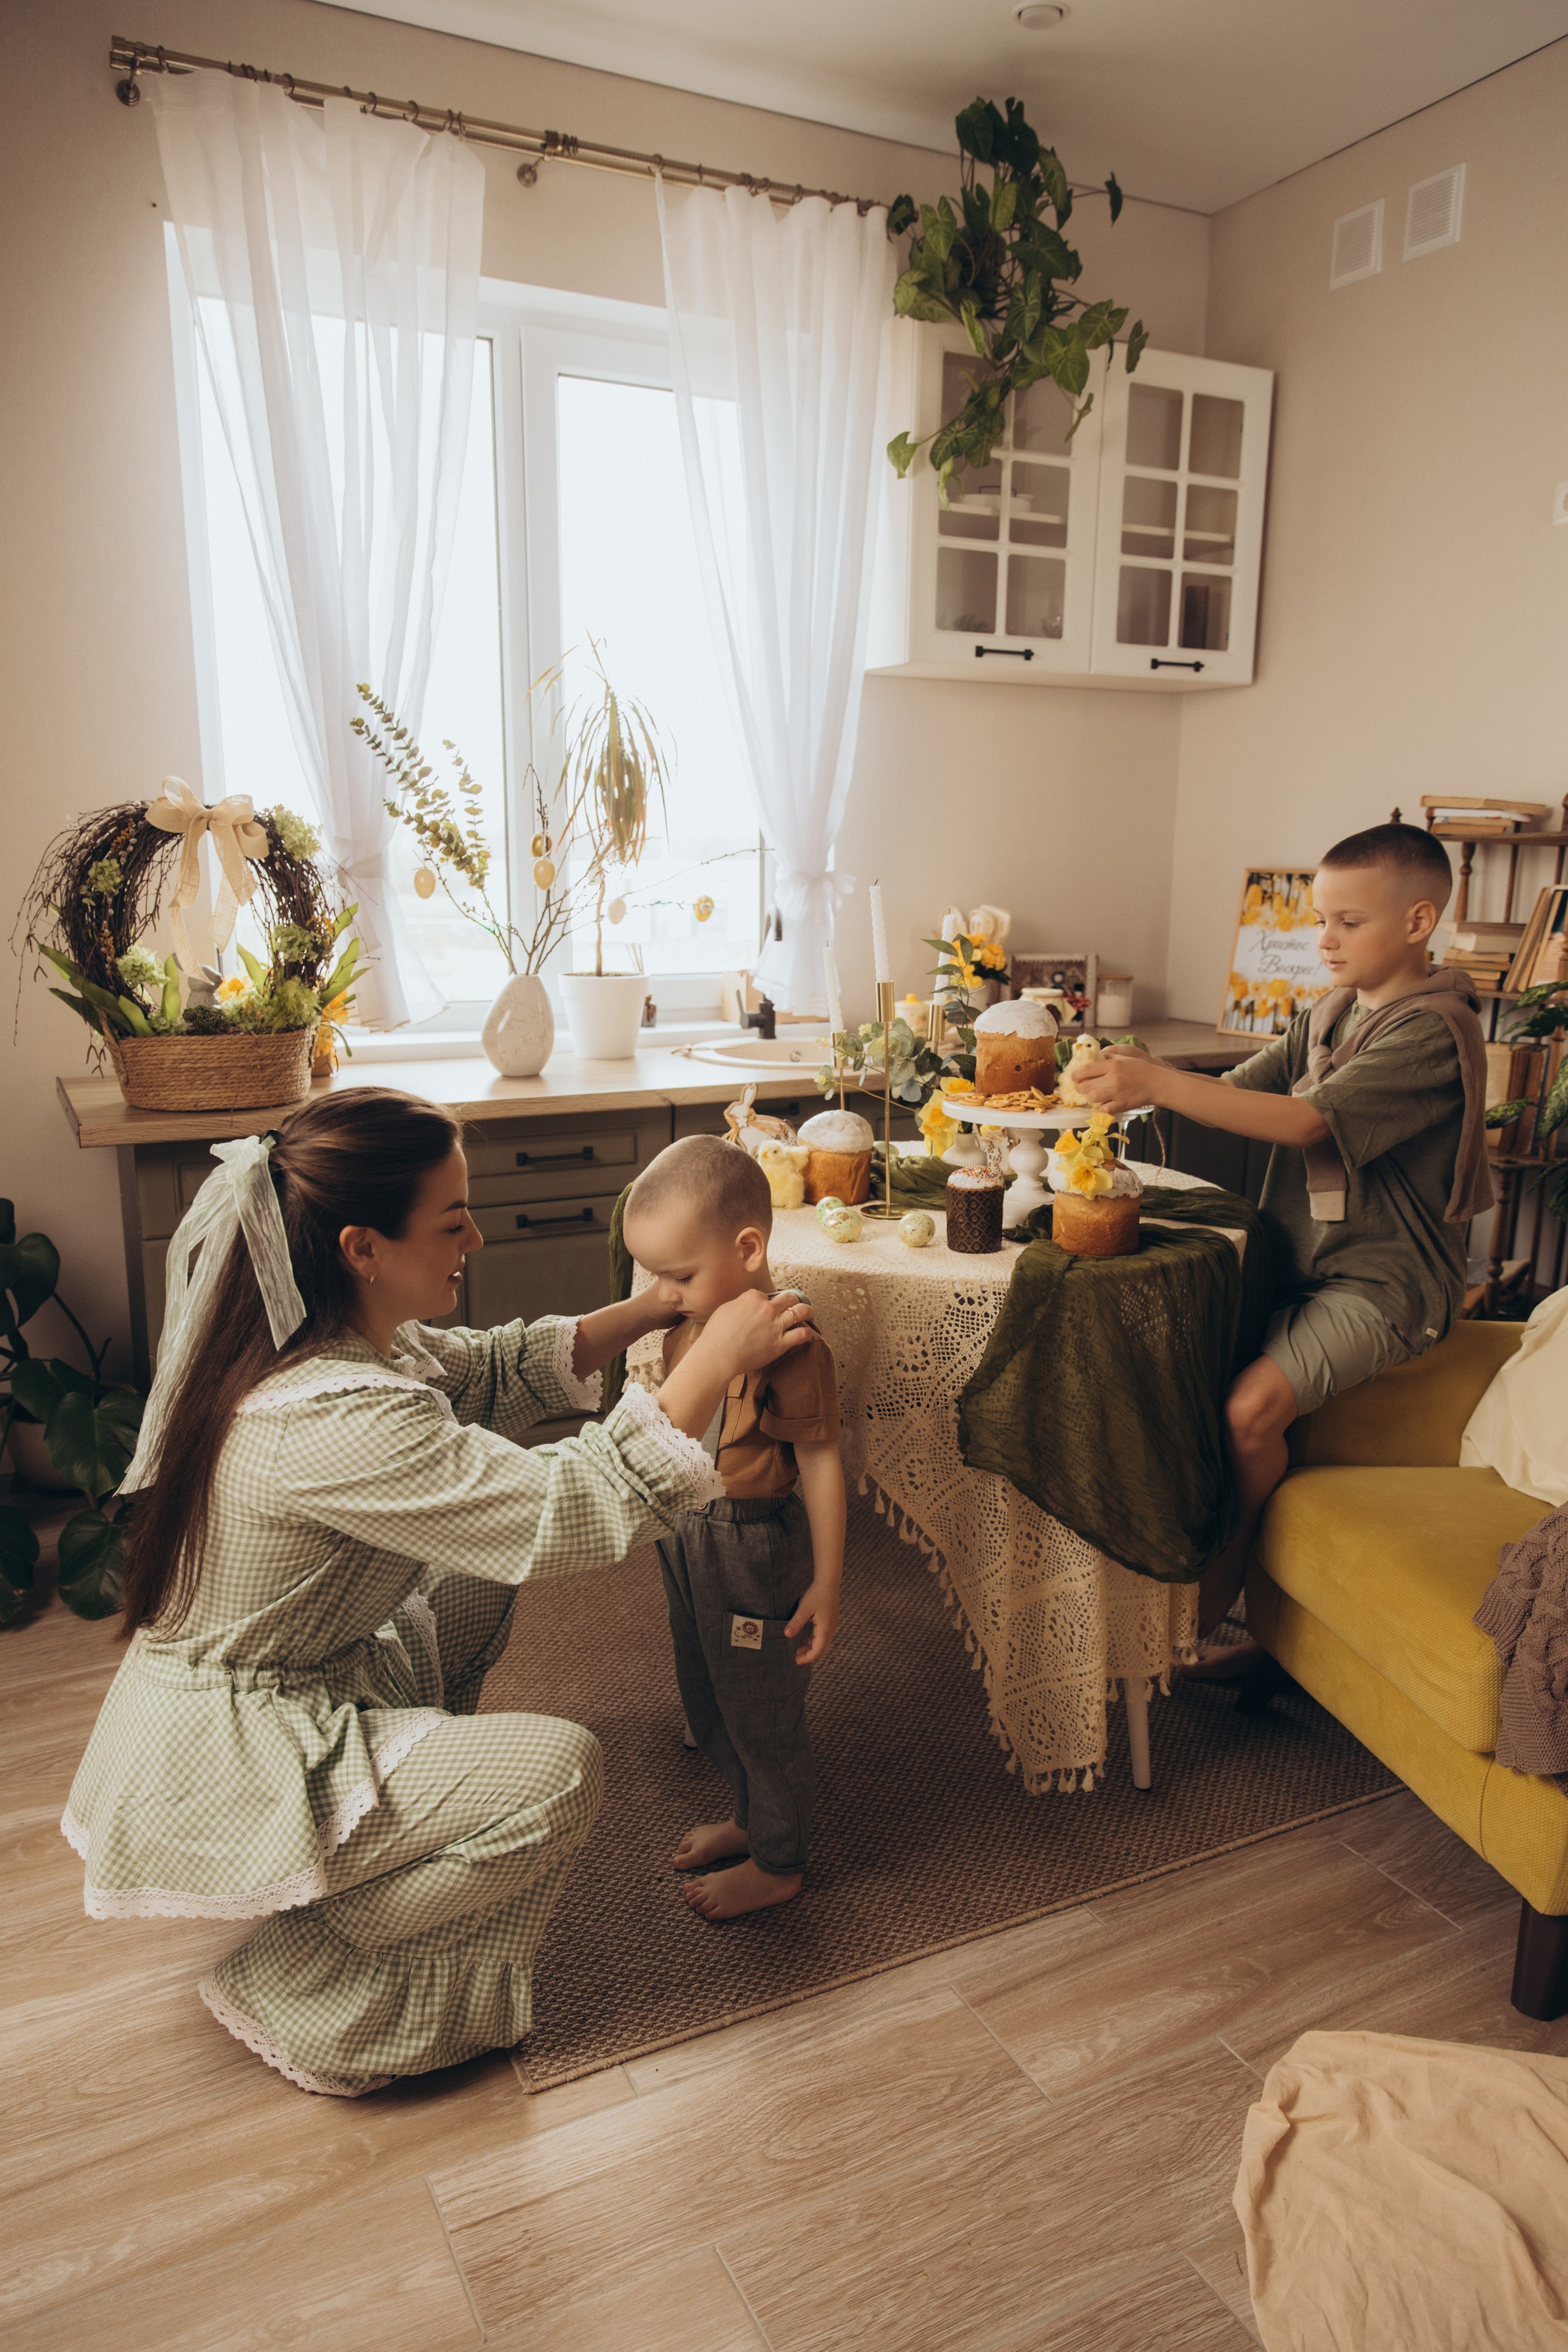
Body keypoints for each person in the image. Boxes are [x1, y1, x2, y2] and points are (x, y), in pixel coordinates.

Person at [62, 1089, 814, 2097]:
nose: (479, 1234)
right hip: (228, 1752)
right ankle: (318, 1943)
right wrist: (714, 1360)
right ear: (362, 1246)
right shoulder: (329, 1422)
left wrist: (651, 1309)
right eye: (453, 1218)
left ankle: (390, 1832)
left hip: (292, 1677)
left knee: (469, 1578)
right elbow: (568, 1507)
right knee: (561, 1771)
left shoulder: (335, 1334)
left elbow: (491, 1372)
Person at [1072, 822, 1493, 1664]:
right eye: (1320, 920)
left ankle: (1223, 1594)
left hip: (1383, 1284)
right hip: (1300, 1262)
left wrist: (1157, 1080)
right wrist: (1136, 1081)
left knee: (1246, 1409)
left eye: (1348, 922)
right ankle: (1144, 1571)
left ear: (1418, 922)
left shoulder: (1433, 1033)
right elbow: (1233, 1095)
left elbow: (1304, 1121)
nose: (1325, 941)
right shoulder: (1330, 1013)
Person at [622, 1135, 845, 1921]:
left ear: (747, 1249)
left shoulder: (793, 1347)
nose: (663, 1292)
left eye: (677, 1275)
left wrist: (827, 1578)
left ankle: (780, 1860)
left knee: (762, 1707)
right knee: (709, 1691)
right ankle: (750, 1818)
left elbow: (819, 1466)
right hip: (685, 1534)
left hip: (752, 1546)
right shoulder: (690, 1323)